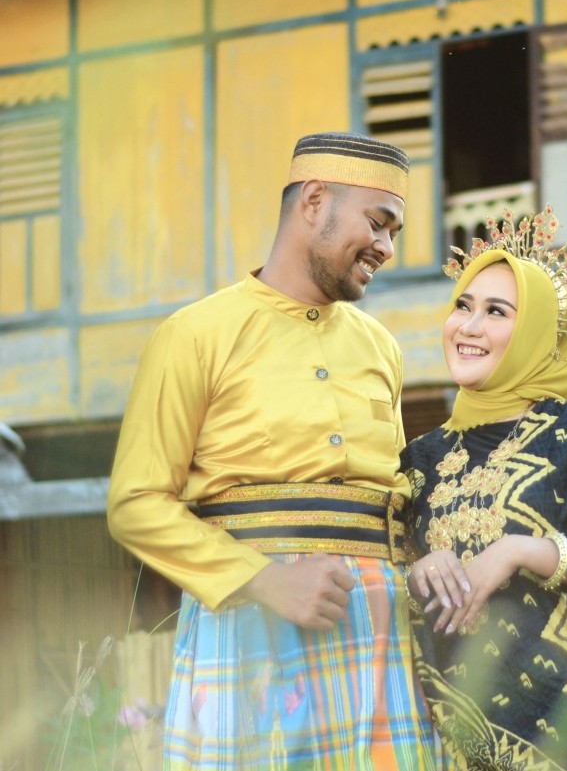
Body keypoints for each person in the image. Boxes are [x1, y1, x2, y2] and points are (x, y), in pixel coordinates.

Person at [107, 131, 438, 770]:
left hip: (380, 639)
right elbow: (136, 503)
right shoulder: (193, 335)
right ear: (314, 201)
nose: (387, 248)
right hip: (251, 629)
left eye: (394, 233)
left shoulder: (382, 349)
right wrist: (265, 580)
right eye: (378, 223)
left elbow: (396, 500)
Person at [401, 206, 567, 770]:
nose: (468, 327)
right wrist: (417, 573)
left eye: (496, 312)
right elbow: (383, 577)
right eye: (462, 306)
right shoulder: (420, 461)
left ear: (538, 333)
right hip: (461, 744)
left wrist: (520, 551)